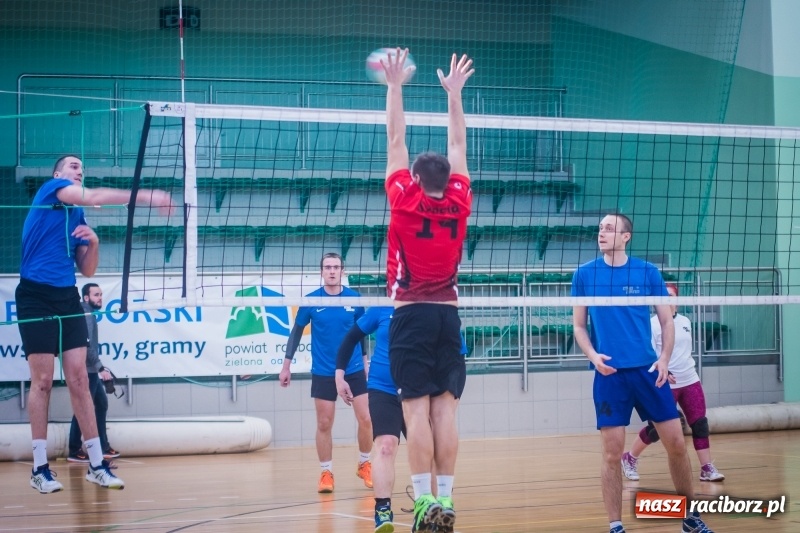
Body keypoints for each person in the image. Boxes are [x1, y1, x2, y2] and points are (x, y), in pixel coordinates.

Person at [17, 154, 173, 493]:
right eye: (73, 167)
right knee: (42, 380)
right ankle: (39, 468)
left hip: (66, 297)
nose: (78, 171)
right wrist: (149, 197)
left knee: (80, 380)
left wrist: (95, 242)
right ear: (58, 173)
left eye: (81, 169)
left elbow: (87, 270)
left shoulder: (77, 216)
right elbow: (96, 195)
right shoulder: (51, 189)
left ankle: (97, 464)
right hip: (34, 295)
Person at [571, 213, 713, 533]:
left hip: (649, 371)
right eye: (600, 229)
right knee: (611, 453)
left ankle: (689, 517)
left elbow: (666, 320)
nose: (602, 233)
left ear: (626, 237)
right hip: (610, 375)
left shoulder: (647, 272)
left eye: (610, 228)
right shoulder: (584, 275)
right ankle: (616, 525)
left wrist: (664, 359)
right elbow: (579, 325)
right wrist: (593, 355)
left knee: (676, 442)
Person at [382, 49, 474, 533]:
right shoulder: (460, 201)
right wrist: (454, 95)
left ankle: (421, 503)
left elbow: (395, 137)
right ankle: (447, 499)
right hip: (448, 316)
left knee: (415, 411)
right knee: (446, 412)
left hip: (412, 313)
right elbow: (457, 143)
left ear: (416, 179)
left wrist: (395, 84)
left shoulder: (403, 200)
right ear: (448, 181)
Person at [279, 252, 373, 494]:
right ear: (321, 272)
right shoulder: (311, 301)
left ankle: (364, 463)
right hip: (323, 371)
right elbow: (296, 333)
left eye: (336, 267)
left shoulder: (354, 299)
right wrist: (286, 365)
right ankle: (326, 472)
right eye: (327, 267)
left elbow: (361, 333)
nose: (332, 271)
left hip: (352, 369)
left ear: (343, 271)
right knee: (324, 422)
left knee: (367, 419)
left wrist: (365, 361)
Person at [621, 283, 725, 483]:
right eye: (663, 296)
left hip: (690, 380)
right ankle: (630, 458)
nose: (667, 299)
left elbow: (684, 351)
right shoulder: (651, 324)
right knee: (656, 429)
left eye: (670, 295)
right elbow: (649, 353)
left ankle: (706, 468)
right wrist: (664, 369)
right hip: (665, 382)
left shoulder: (685, 321)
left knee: (700, 424)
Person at [66, 283, 121, 463]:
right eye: (96, 295)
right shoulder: (87, 315)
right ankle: (74, 450)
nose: (100, 298)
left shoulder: (88, 313)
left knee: (101, 404)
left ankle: (103, 446)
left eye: (101, 294)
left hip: (90, 370)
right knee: (83, 408)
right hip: (87, 371)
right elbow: (87, 345)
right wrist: (100, 368)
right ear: (86, 297)